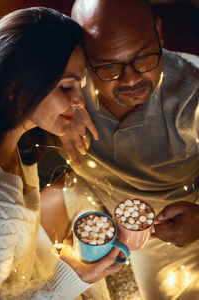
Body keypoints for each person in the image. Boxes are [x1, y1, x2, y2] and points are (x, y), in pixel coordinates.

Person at [58, 0, 199, 298]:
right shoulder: (61, 92)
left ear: (159, 33)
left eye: (144, 58)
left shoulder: (193, 93)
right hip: (95, 207)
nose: (132, 78)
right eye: (109, 66)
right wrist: (58, 112)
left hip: (176, 224)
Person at [0, 7, 122, 299]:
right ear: (17, 90)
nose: (79, 101)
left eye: (79, 84)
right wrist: (66, 282)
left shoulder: (12, 131)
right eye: (67, 86)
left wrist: (65, 110)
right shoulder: (4, 214)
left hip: (21, 253)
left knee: (74, 195)